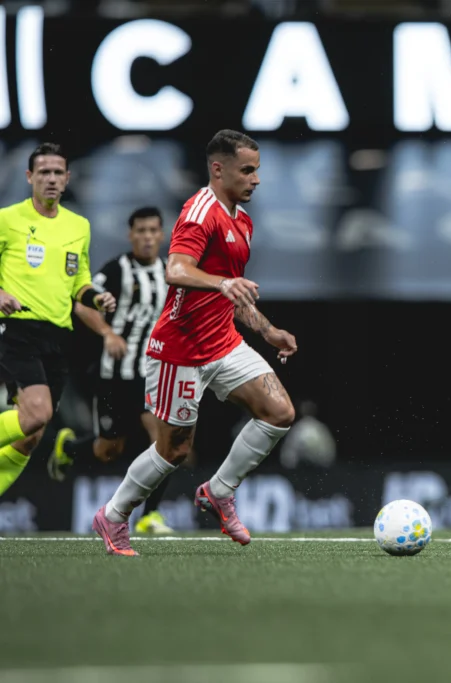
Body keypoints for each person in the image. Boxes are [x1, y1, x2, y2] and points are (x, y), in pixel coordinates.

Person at [92, 130, 298, 556]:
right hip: (180, 351)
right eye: (247, 170)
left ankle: (219, 491)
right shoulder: (199, 212)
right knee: (174, 450)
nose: (256, 179)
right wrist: (223, 283)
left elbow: (233, 294)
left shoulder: (242, 221)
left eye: (257, 170)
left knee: (279, 413)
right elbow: (176, 270)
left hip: (224, 343)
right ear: (218, 170)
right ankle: (113, 516)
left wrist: (267, 331)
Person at [47, 207, 175, 534]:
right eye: (141, 231)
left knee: (165, 440)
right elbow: (81, 305)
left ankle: (150, 515)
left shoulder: (169, 272)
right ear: (131, 235)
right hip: (114, 375)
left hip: (150, 374)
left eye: (153, 231)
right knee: (108, 449)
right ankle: (69, 448)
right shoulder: (116, 270)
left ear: (162, 235)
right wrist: (108, 333)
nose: (147, 237)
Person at [0, 143, 116, 497]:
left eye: (57, 173)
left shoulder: (78, 226)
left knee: (31, 435)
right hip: (17, 329)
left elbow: (79, 280)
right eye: (43, 172)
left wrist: (96, 297)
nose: (50, 179)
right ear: (29, 177)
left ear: (67, 178)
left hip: (58, 335)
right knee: (37, 413)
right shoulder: (8, 219)